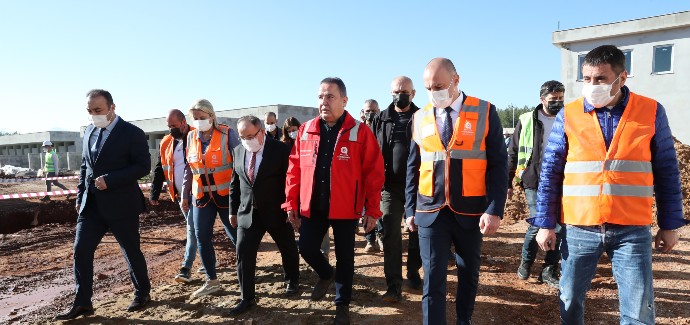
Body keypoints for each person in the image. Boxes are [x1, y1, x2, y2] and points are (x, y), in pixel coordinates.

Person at [534, 45, 688, 324]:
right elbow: (551, 173)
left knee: (638, 307)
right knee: (569, 298)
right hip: (580, 227)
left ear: (622, 78)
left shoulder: (650, 111)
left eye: (601, 79)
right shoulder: (569, 115)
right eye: (587, 79)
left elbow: (667, 171)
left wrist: (669, 225)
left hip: (631, 228)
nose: (592, 85)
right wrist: (546, 223)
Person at [406, 58, 508, 325]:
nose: (433, 92)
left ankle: (464, 320)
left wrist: (494, 209)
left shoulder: (485, 111)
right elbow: (413, 166)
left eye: (438, 86)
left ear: (456, 80)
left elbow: (499, 165)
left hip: (472, 210)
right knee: (433, 276)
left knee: (468, 272)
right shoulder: (419, 117)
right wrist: (409, 209)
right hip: (430, 210)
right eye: (428, 88)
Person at [283, 77, 385, 324]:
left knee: (345, 258)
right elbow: (294, 170)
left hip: (345, 208)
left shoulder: (360, 132)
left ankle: (342, 305)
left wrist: (372, 209)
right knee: (306, 248)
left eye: (330, 97)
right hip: (313, 206)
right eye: (320, 97)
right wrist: (291, 203)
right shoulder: (306, 130)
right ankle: (326, 273)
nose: (324, 102)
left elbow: (374, 173)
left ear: (344, 100)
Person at [56, 89, 151, 320]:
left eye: (97, 110)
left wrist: (111, 180)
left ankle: (142, 292)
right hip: (91, 205)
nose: (93, 115)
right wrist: (80, 196)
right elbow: (85, 168)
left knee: (130, 251)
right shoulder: (89, 131)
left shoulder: (132, 133)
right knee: (81, 250)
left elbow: (143, 167)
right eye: (89, 111)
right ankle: (83, 302)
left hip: (121, 204)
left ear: (112, 107)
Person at [227, 115, 300, 316]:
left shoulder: (280, 149)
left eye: (250, 135)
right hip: (248, 213)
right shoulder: (238, 150)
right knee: (243, 253)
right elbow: (235, 184)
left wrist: (292, 208)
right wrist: (233, 210)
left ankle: (292, 281)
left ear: (261, 132)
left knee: (287, 247)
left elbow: (292, 180)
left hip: (277, 211)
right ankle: (247, 297)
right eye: (242, 136)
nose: (246, 140)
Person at [507, 80, 565, 288]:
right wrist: (508, 181)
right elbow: (513, 151)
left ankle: (549, 270)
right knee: (539, 223)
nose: (557, 102)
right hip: (533, 178)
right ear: (542, 100)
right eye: (553, 99)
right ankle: (526, 262)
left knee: (558, 226)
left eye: (560, 98)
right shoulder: (526, 119)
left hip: (561, 179)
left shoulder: (569, 118)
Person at [370, 76, 422, 300]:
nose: (399, 95)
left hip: (420, 187)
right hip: (389, 187)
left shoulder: (423, 117)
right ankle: (393, 285)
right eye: (395, 91)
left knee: (417, 232)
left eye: (404, 91)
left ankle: (413, 270)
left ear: (413, 93)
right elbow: (371, 151)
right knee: (391, 232)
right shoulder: (381, 119)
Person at [185, 99, 240, 298]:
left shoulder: (227, 134)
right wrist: (185, 195)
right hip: (201, 197)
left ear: (212, 116)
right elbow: (189, 170)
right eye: (196, 118)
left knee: (236, 236)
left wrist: (241, 194)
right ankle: (211, 280)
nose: (199, 121)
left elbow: (240, 163)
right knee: (202, 237)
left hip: (226, 196)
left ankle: (245, 271)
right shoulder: (190, 137)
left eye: (203, 117)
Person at [150, 109, 200, 283]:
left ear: (183, 122)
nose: (171, 129)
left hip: (198, 194)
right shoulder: (166, 142)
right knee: (197, 230)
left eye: (174, 125)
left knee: (192, 229)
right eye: (168, 126)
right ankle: (210, 260)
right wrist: (154, 192)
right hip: (180, 195)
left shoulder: (196, 136)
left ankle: (186, 268)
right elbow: (159, 168)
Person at [361, 99, 384, 252]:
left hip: (378, 174)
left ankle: (381, 237)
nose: (370, 114)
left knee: (378, 207)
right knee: (364, 208)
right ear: (362, 113)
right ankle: (370, 240)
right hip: (361, 176)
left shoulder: (382, 128)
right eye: (367, 111)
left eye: (373, 111)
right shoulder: (358, 130)